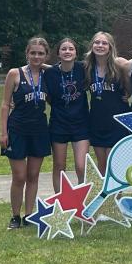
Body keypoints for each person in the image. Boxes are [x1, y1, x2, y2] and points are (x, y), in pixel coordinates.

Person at [0, 37, 51, 229]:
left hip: (39, 130)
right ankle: (15, 215)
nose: (36, 56)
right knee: (19, 176)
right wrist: (3, 133)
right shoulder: (15, 73)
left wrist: (45, 66)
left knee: (33, 175)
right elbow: (5, 104)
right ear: (26, 53)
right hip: (17, 129)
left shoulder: (48, 75)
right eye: (33, 53)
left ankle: (29, 215)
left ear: (46, 55)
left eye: (40, 53)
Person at [44, 37, 89, 192]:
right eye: (64, 49)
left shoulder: (83, 68)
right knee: (59, 166)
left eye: (71, 49)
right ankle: (60, 202)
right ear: (58, 53)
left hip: (81, 124)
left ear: (76, 53)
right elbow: (48, 97)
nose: (67, 51)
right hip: (59, 124)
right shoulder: (50, 73)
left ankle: (83, 199)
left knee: (81, 165)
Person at [85, 31, 130, 174]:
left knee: (114, 163)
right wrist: (42, 66)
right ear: (92, 45)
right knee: (102, 164)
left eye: (104, 43)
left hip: (117, 121)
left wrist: (128, 93)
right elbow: (62, 69)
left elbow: (131, 85)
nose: (100, 45)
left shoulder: (120, 65)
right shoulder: (86, 67)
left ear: (110, 47)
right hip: (97, 121)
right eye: (97, 42)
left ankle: (117, 196)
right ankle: (105, 196)